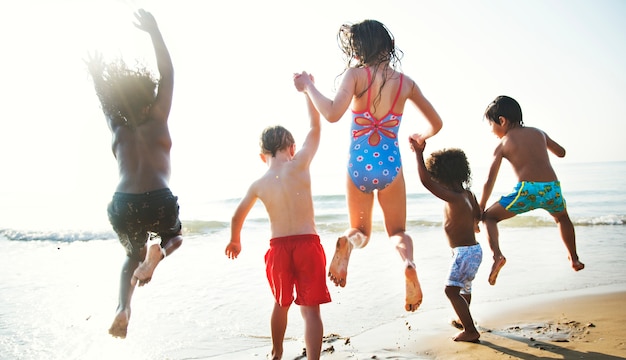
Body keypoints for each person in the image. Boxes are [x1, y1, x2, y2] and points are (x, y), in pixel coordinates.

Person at [294, 19, 443, 311]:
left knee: (359, 229)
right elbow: (436, 123)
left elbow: (333, 113)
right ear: (387, 46)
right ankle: (408, 262)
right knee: (397, 231)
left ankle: (349, 242)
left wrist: (309, 86)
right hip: (391, 166)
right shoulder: (406, 83)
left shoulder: (355, 76)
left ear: (359, 49)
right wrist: (420, 136)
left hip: (358, 167)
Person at [86, 9, 183, 338]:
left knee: (131, 256)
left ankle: (123, 308)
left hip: (123, 204)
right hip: (159, 198)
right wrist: (155, 32)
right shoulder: (157, 116)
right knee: (174, 237)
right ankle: (161, 252)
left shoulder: (116, 126)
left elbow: (103, 98)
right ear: (146, 95)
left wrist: (98, 75)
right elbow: (168, 73)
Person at [225, 74, 331, 360]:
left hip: (279, 249)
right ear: (292, 148)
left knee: (280, 303)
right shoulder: (300, 165)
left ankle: (276, 352)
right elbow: (315, 126)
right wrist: (307, 91)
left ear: (263, 155)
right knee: (310, 311)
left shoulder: (259, 183)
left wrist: (235, 241)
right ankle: (313, 359)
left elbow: (237, 216)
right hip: (307, 244)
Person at [479, 95, 585, 286]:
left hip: (528, 191)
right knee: (562, 218)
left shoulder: (503, 144)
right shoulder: (539, 133)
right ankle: (574, 258)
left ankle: (497, 256)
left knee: (489, 218)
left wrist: (480, 207)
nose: (492, 131)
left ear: (501, 120)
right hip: (552, 189)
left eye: (491, 125)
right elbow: (561, 152)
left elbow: (489, 180)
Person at [410, 139, 482, 343]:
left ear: (442, 177)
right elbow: (478, 214)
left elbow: (426, 182)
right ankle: (463, 320)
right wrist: (474, 222)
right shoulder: (468, 194)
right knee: (463, 288)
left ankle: (470, 330)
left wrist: (418, 154)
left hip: (463, 252)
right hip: (474, 251)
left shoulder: (453, 197)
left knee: (450, 290)